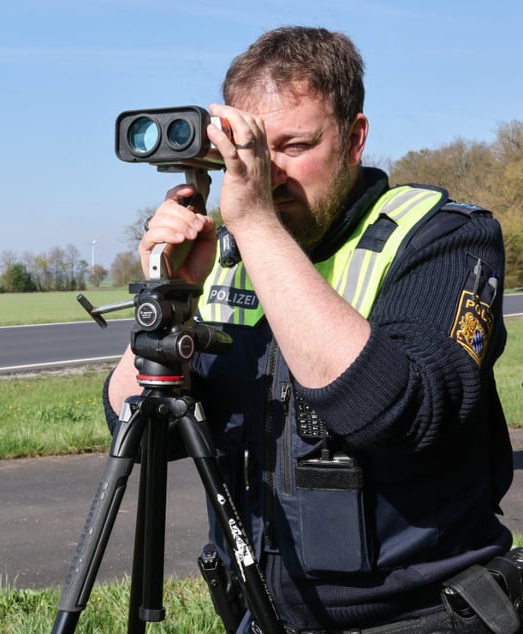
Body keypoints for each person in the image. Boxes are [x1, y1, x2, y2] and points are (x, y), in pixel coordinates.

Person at [104, 26, 515, 633]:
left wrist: (257, 226)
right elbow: (138, 430)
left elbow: (399, 413)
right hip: (261, 613)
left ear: (354, 138)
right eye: (252, 148)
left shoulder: (443, 238)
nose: (268, 175)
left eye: (294, 145)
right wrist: (173, 299)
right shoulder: (224, 256)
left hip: (420, 616)